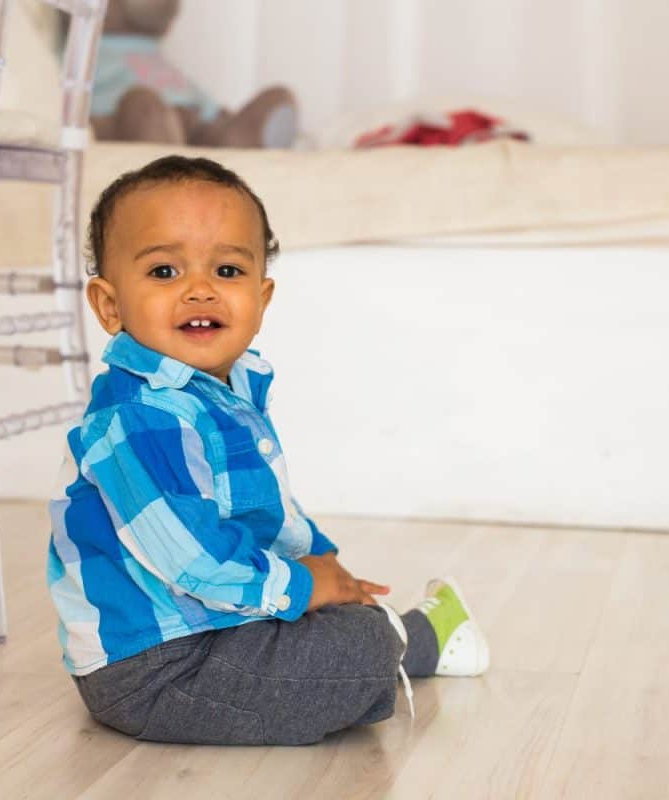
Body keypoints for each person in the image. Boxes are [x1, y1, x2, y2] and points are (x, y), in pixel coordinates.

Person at [47, 155, 489, 746]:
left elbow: (262, 514)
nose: (200, 289)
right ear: (109, 306)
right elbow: (191, 562)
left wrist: (326, 573)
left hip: (214, 628)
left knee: (335, 617)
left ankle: (385, 634)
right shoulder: (137, 419)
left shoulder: (219, 393)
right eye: (164, 272)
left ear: (262, 296)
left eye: (227, 270)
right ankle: (416, 640)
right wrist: (307, 586)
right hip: (156, 669)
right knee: (356, 646)